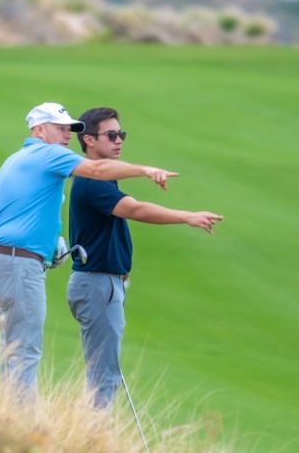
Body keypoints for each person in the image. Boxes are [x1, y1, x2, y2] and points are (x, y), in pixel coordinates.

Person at [0, 102, 180, 402]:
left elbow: (20, 213)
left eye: (69, 129)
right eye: (60, 128)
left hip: (2, 260)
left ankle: (6, 415)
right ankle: (21, 423)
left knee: (12, 347)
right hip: (18, 263)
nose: (67, 135)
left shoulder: (18, 158)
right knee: (25, 350)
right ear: (39, 130)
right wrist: (146, 170)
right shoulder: (47, 154)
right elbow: (97, 169)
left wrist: (51, 244)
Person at [67, 107, 224, 409]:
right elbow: (134, 209)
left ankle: (95, 429)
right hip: (97, 283)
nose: (119, 140)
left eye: (121, 134)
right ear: (89, 140)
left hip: (101, 283)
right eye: (111, 135)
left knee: (105, 372)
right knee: (104, 376)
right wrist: (187, 216)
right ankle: (95, 432)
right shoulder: (93, 181)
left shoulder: (101, 180)